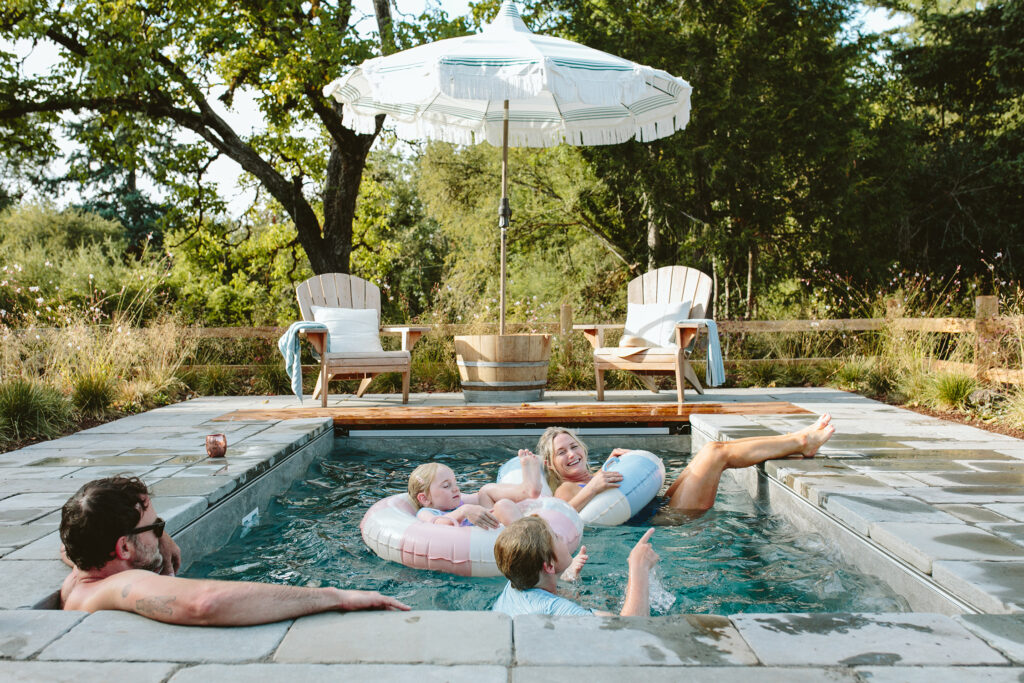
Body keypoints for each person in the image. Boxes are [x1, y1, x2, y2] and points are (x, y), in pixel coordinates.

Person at [59, 476, 409, 625]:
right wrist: (336, 597)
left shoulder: (84, 567)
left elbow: (72, 543)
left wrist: (159, 538)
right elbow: (204, 603)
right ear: (122, 547)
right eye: (156, 527)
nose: (163, 534)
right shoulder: (124, 584)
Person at [538, 414, 836, 514]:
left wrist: (626, 464)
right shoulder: (565, 490)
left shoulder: (598, 472)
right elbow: (565, 513)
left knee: (710, 448)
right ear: (551, 465)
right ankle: (800, 442)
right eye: (561, 452)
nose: (571, 454)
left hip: (662, 506)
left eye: (573, 445)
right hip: (668, 522)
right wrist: (595, 484)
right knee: (716, 453)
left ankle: (795, 441)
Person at [491, 516, 658, 617]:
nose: (563, 538)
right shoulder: (558, 611)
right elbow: (631, 630)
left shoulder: (515, 583)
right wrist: (638, 567)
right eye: (556, 537)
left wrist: (565, 579)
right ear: (549, 566)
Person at [408, 451, 542, 529]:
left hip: (492, 526)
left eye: (455, 483)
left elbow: (481, 496)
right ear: (424, 498)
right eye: (446, 486)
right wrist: (464, 511)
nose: (455, 489)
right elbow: (438, 524)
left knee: (485, 490)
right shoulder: (426, 512)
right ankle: (530, 541)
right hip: (483, 535)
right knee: (503, 506)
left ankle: (525, 490)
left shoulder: (458, 501)